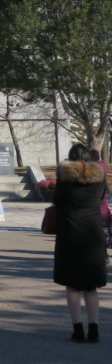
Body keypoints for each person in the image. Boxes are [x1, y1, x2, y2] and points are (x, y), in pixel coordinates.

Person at [53, 143, 107, 343]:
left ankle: (77, 329)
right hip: (93, 234)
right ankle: (94, 329)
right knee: (91, 287)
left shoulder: (65, 179)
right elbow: (102, 198)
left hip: (70, 234)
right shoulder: (99, 178)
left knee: (73, 286)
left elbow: (57, 202)